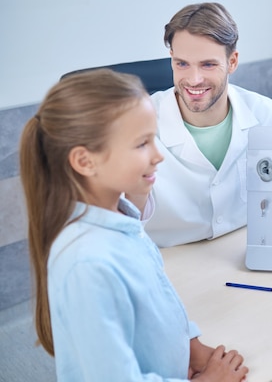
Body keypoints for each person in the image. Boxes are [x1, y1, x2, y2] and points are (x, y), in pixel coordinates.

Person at [20, 69, 248, 382]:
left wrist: (191, 347)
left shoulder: (123, 220)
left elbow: (159, 304)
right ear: (85, 161)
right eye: (141, 144)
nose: (158, 156)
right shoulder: (86, 263)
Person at [129, 2, 272, 258]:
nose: (194, 79)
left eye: (208, 64)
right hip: (170, 263)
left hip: (243, 254)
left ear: (232, 62)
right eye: (182, 64)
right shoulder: (135, 125)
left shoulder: (266, 116)